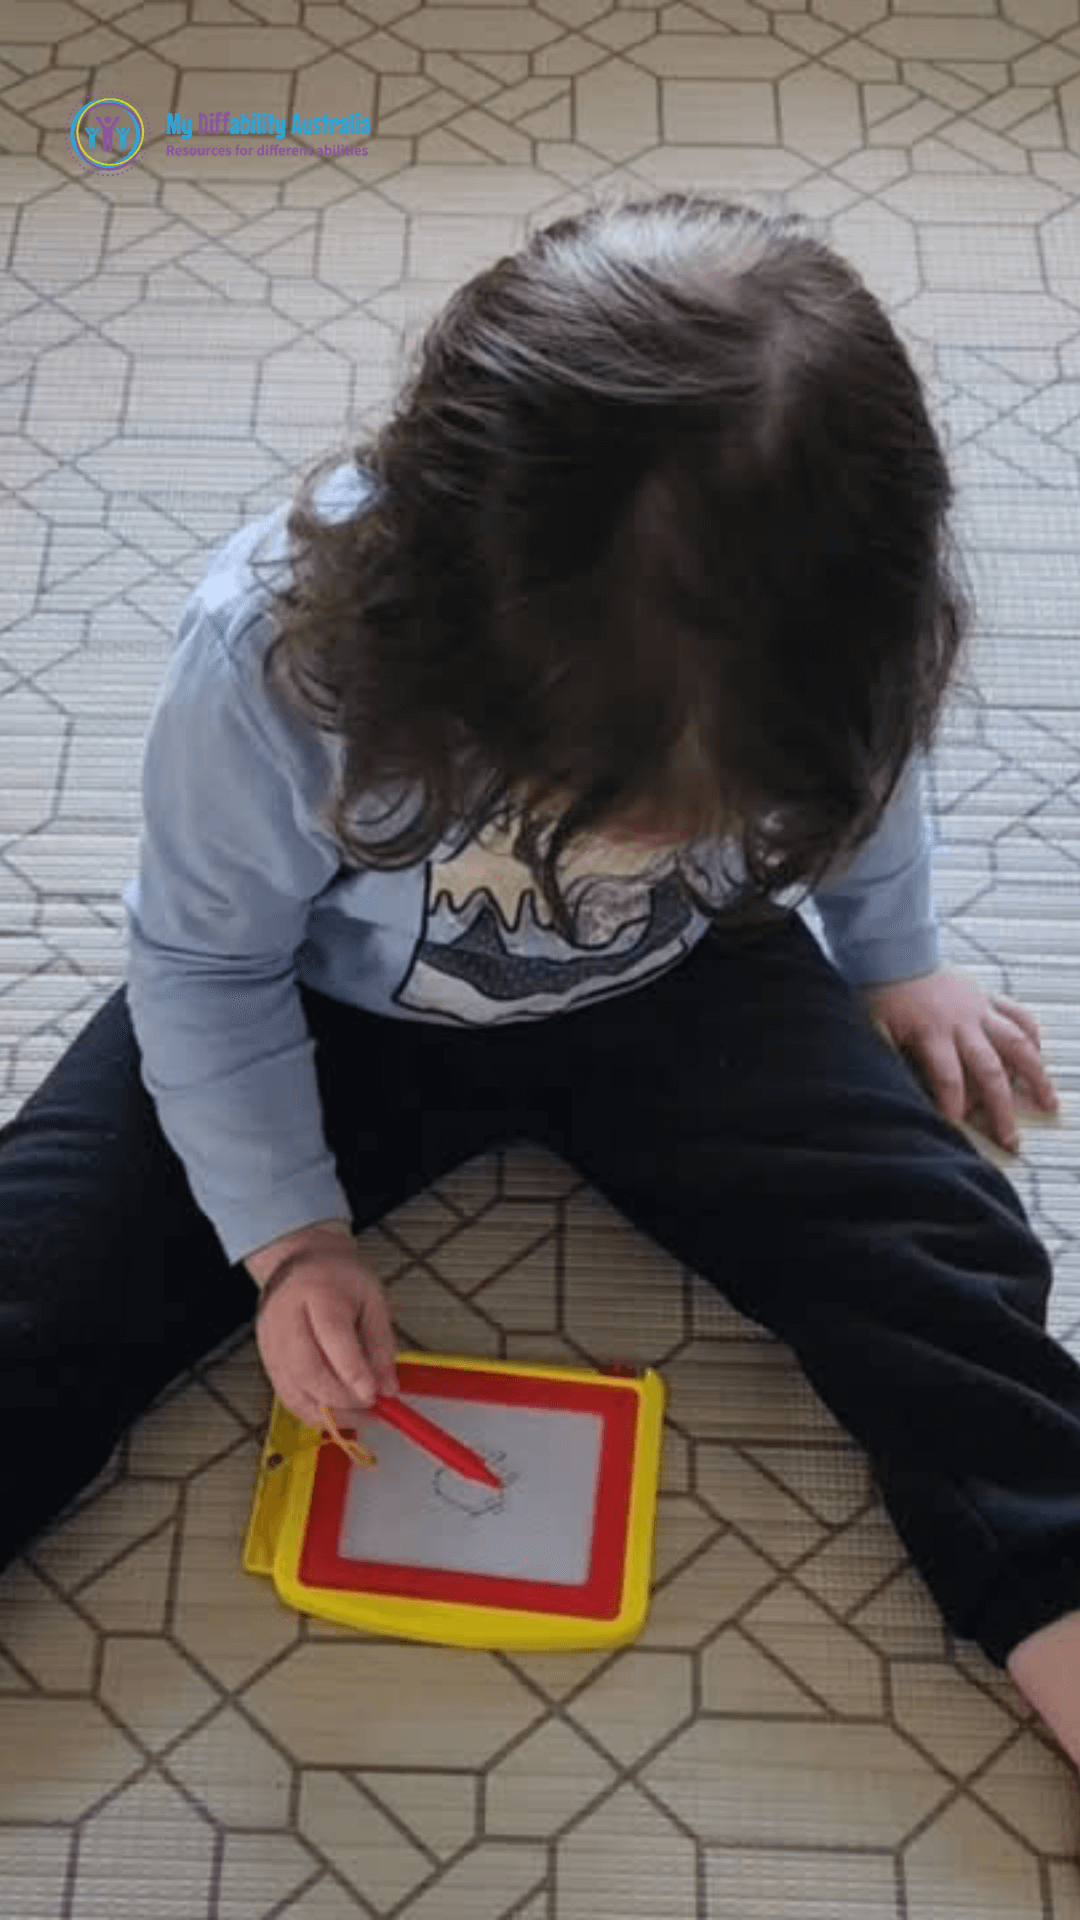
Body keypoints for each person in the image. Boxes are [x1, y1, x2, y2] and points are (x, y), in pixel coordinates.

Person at [1, 191, 1077, 1769]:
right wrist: (290, 1242)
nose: (655, 834)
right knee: (36, 1277)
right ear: (440, 629)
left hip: (682, 990)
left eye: (720, 800)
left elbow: (871, 783)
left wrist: (899, 963)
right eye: (611, 793)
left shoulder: (845, 645)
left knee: (937, 1248)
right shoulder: (271, 664)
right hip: (314, 1001)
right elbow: (203, 961)